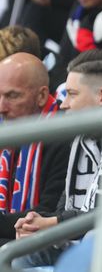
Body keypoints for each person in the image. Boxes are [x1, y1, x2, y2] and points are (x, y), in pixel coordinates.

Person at [11, 49, 102, 267]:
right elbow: (64, 208)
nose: (63, 104)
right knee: (18, 253)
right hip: (77, 242)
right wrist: (36, 224)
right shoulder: (81, 138)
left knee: (93, 239)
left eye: (72, 94)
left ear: (101, 96)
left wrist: (56, 223)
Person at [0, 53, 69, 245]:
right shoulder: (6, 127)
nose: (1, 107)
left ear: (41, 96)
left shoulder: (64, 135)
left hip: (39, 243)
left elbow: (48, 211)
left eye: (12, 96)